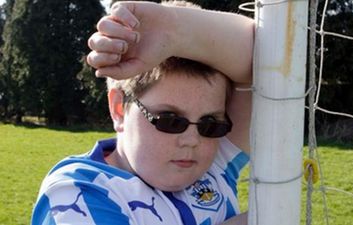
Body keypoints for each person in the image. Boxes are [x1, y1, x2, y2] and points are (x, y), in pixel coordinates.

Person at [31, 1, 254, 224]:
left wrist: (175, 29)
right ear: (119, 109)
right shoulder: (78, 191)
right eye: (170, 120)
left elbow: (268, 56)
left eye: (210, 124)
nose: (191, 140)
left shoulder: (215, 164)